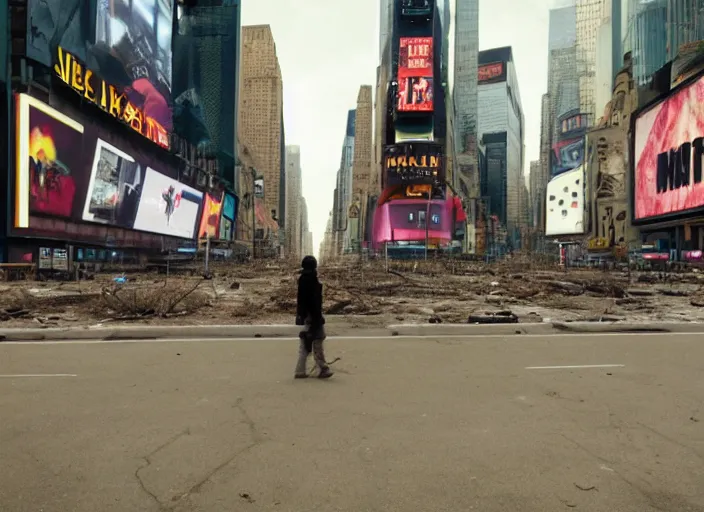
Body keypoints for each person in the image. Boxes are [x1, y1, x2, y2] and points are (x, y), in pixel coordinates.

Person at [295, 255, 333, 379]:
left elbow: (301, 301)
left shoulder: (303, 279)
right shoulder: (310, 280)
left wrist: (301, 315)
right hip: (313, 316)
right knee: (317, 340)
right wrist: (317, 317)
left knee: (307, 342)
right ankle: (323, 368)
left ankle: (301, 370)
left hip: (308, 316)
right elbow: (313, 301)